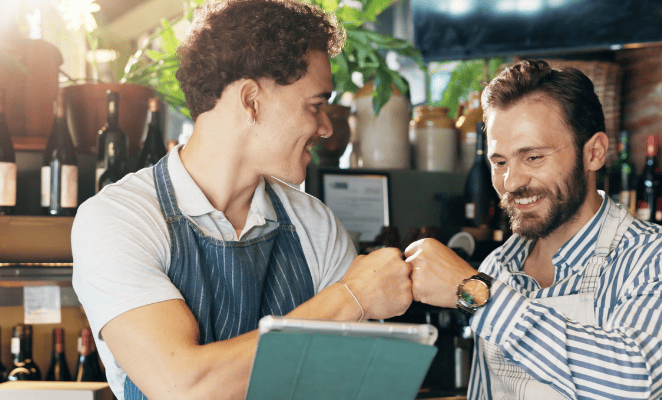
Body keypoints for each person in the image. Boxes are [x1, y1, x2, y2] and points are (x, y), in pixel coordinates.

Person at [70, 1, 413, 399]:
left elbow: (351, 384)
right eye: (316, 106)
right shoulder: (120, 219)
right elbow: (183, 386)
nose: (324, 128)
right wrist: (351, 296)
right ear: (251, 101)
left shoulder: (314, 224)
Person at [406, 60, 662, 399]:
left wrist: (477, 295)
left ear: (593, 153)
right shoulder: (496, 267)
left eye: (533, 157)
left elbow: (634, 385)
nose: (512, 182)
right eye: (500, 162)